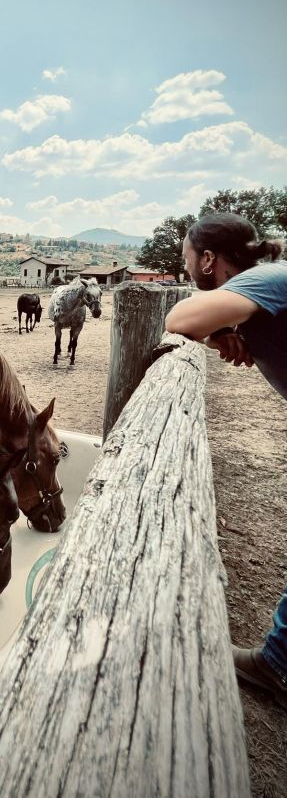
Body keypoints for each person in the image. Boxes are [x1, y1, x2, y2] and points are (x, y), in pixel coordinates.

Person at [165, 211, 287, 711]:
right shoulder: (260, 290)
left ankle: (277, 664)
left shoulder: (266, 279)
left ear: (208, 259)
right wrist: (223, 331)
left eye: (187, 257)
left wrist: (210, 327)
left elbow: (178, 320)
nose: (185, 266)